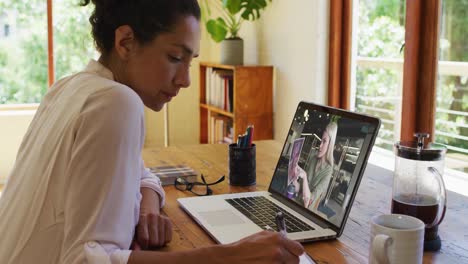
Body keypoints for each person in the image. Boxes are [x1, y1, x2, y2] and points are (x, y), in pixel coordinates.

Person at [0, 1, 304, 263]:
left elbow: (141, 172)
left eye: (190, 61)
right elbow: (84, 260)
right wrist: (232, 256)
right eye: (174, 58)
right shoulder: (116, 102)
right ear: (126, 42)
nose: (185, 80)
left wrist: (147, 207)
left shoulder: (69, 87)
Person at [301, 122, 338, 210]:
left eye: (324, 141)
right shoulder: (313, 159)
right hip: (297, 203)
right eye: (321, 140)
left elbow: (308, 201)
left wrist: (305, 177)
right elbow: (299, 189)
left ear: (330, 145)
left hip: (306, 212)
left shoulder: (328, 171)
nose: (320, 145)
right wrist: (294, 178)